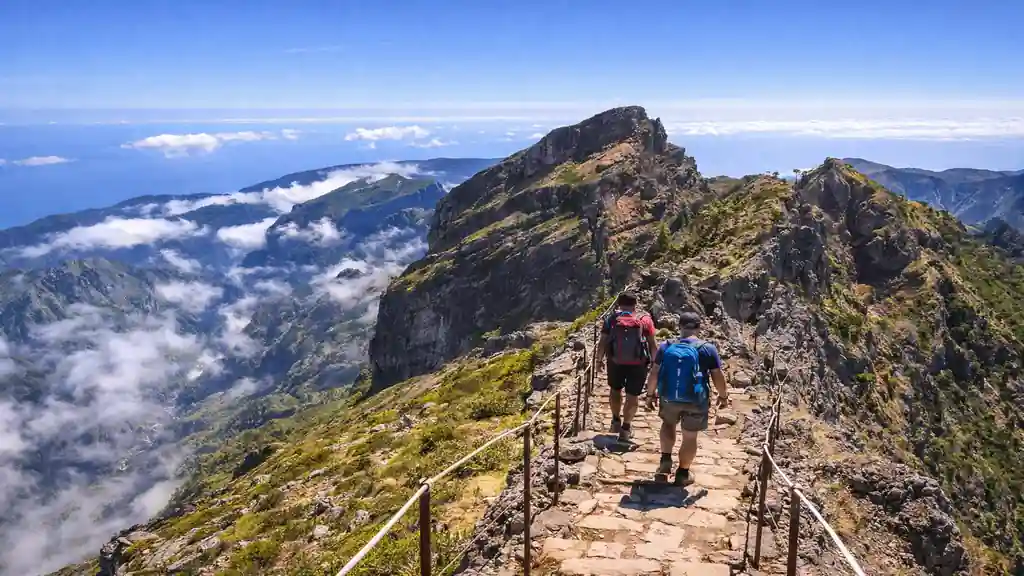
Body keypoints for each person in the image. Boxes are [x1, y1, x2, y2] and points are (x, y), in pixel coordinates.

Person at [643, 311, 729, 487]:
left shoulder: (666, 346)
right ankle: (682, 474)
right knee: (690, 436)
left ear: (679, 326)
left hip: (669, 397)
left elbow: (654, 372)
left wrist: (650, 395)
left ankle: (665, 460)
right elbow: (717, 375)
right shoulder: (708, 348)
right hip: (696, 400)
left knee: (668, 425)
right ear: (698, 327)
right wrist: (723, 396)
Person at [596, 292, 657, 442]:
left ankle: (615, 420)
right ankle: (626, 428)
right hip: (638, 364)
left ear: (618, 303)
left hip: (615, 361)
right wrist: (655, 364)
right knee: (632, 396)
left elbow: (602, 341)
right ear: (635, 304)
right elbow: (652, 343)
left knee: (615, 390)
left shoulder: (611, 319)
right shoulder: (644, 320)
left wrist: (599, 360)